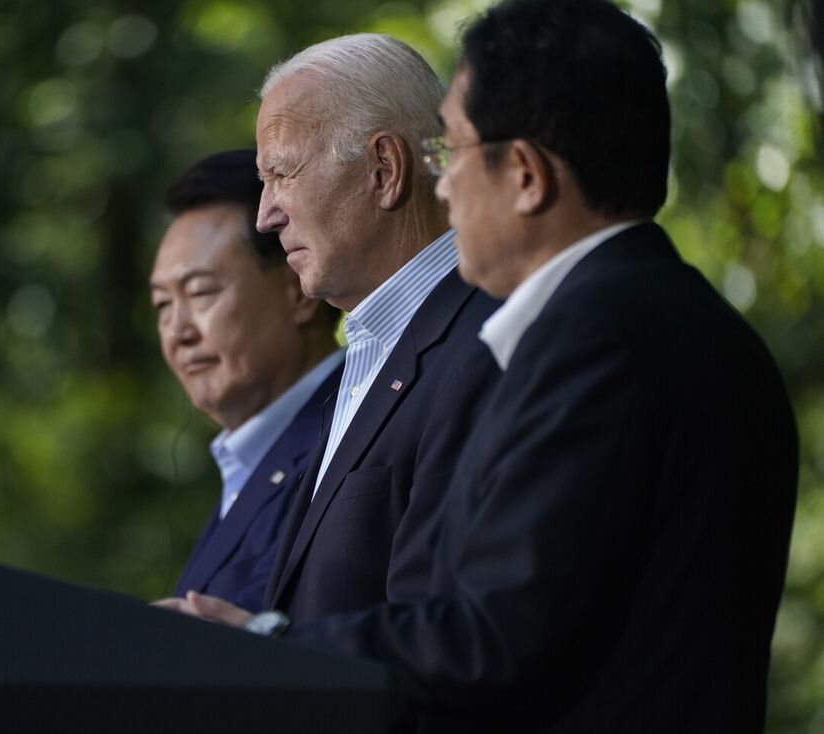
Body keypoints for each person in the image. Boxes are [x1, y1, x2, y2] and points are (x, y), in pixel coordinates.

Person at [170, 2, 799, 731]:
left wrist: (261, 645)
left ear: (526, 176)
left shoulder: (591, 340)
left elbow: (499, 633)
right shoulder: (683, 321)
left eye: (455, 155)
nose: (441, 187)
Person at [161, 34, 501, 624]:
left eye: (282, 173)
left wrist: (266, 650)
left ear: (384, 169)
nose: (266, 216)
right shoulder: (372, 352)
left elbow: (469, 626)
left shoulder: (490, 343)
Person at [151, 149, 343, 612]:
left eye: (200, 293)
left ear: (298, 290)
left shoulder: (356, 430)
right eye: (162, 305)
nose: (179, 332)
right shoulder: (245, 462)